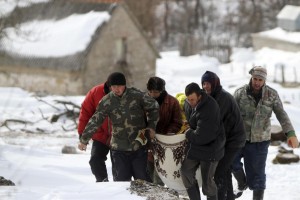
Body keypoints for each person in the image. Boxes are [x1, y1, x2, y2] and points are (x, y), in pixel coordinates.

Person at [232, 66, 299, 200]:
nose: (257, 82)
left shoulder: (272, 95)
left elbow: (282, 114)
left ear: (264, 81)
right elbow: (230, 115)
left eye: (260, 80)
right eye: (255, 79)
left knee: (258, 176)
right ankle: (241, 182)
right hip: (240, 138)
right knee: (231, 163)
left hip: (260, 142)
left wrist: (290, 133)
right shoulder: (239, 93)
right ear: (251, 78)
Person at [78, 72, 159, 181]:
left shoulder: (137, 96)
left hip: (139, 146)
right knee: (121, 184)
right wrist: (84, 139)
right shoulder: (107, 101)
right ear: (110, 87)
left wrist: (151, 126)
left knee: (143, 183)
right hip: (119, 149)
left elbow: (154, 107)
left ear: (124, 85)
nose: (117, 89)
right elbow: (95, 120)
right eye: (114, 86)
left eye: (119, 86)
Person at [201, 71, 246, 200]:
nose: (205, 86)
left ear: (215, 83)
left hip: (233, 141)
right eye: (203, 83)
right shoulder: (211, 96)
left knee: (218, 171)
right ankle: (228, 197)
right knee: (224, 171)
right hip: (224, 140)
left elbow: (215, 122)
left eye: (208, 83)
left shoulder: (223, 98)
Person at [180, 82, 225, 200]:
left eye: (193, 99)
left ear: (199, 96)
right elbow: (197, 124)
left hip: (212, 148)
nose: (190, 102)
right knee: (185, 171)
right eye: (188, 100)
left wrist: (188, 132)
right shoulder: (195, 104)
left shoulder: (209, 107)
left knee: (207, 184)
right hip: (199, 146)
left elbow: (201, 136)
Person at [146, 76, 183, 185]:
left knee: (160, 178)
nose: (153, 94)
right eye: (151, 91)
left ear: (162, 90)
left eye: (156, 92)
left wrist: (166, 134)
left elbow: (177, 122)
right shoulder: (143, 100)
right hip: (147, 145)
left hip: (165, 145)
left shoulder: (172, 102)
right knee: (146, 178)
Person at [77, 80, 112, 182]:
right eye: (112, 87)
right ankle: (102, 183)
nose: (115, 89)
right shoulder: (96, 92)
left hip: (118, 137)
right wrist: (82, 135)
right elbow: (85, 112)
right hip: (100, 135)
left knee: (119, 167)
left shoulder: (123, 93)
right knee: (95, 160)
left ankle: (118, 191)